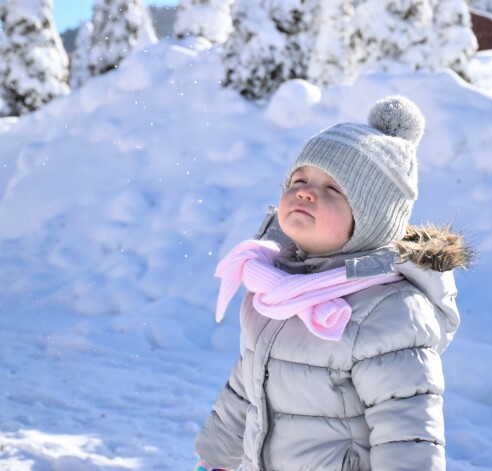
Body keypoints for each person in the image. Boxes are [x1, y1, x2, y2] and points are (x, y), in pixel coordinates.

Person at [194, 95, 471, 471]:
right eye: (300, 179)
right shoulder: (275, 287)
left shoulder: (389, 309)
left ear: (371, 219)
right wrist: (216, 459)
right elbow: (247, 387)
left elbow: (408, 432)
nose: (306, 192)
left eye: (334, 189)